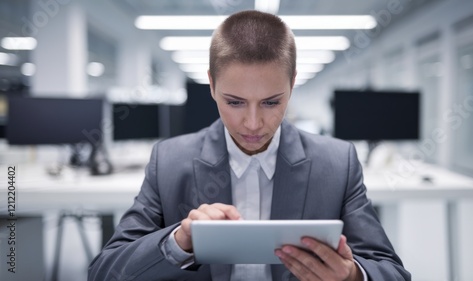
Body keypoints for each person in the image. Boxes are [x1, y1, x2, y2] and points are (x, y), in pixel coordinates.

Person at [88, 10, 410, 281]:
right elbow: (104, 272)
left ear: (292, 83)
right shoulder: (169, 161)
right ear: (212, 85)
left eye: (271, 102)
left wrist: (352, 275)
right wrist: (179, 242)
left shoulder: (338, 164)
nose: (253, 123)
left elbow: (392, 272)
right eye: (235, 102)